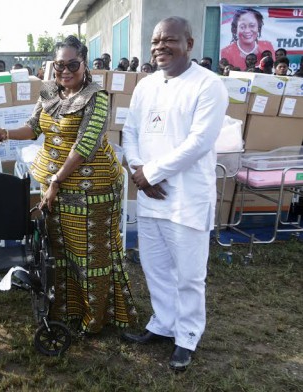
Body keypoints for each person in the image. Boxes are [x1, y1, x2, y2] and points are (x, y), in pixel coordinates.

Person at [0, 35, 136, 336]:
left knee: (90, 255)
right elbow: (33, 128)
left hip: (91, 190)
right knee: (60, 252)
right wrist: (2, 132)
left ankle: (95, 319)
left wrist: (56, 181)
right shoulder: (48, 92)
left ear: (85, 64)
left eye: (73, 64)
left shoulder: (97, 97)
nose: (66, 71)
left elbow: (85, 144)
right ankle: (67, 309)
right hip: (54, 187)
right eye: (60, 65)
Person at [121, 17, 228, 372]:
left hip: (187, 198)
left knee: (189, 275)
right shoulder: (145, 86)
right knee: (156, 268)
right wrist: (139, 172)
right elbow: (130, 130)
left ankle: (187, 337)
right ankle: (164, 324)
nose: (160, 46)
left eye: (169, 40)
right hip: (150, 196)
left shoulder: (208, 85)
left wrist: (150, 173)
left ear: (190, 44)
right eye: (155, 41)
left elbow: (198, 143)